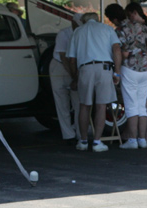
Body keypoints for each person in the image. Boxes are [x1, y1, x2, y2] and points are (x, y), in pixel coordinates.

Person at [66, 12, 122, 153]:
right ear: (97, 19)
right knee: (101, 106)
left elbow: (71, 59)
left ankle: (83, 141)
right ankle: (97, 142)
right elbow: (116, 48)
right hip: (104, 67)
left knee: (84, 106)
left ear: (84, 21)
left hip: (85, 69)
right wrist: (117, 72)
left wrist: (75, 77)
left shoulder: (78, 31)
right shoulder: (107, 29)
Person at [115, 3, 147, 148]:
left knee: (131, 106)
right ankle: (142, 139)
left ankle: (132, 140)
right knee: (142, 106)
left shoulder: (121, 29)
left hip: (129, 68)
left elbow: (121, 51)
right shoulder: (143, 27)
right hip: (145, 68)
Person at [50, 12, 83, 145]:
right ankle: (68, 134)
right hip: (59, 66)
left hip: (75, 68)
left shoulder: (82, 33)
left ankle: (81, 133)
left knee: (79, 102)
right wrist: (73, 76)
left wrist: (75, 76)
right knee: (62, 101)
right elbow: (64, 57)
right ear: (73, 22)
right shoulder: (64, 33)